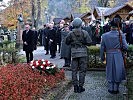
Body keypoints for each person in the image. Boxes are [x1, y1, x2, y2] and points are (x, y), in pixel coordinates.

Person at [100, 18, 128, 94]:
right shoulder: (121, 34)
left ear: (110, 26)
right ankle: (116, 89)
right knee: (118, 71)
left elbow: (102, 48)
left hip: (109, 55)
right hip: (118, 55)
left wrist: (102, 58)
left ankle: (111, 88)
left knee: (110, 71)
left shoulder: (104, 35)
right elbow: (126, 47)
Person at [66, 18, 92, 93]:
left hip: (74, 53)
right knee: (82, 70)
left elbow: (67, 42)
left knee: (74, 71)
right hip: (83, 53)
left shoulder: (70, 33)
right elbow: (89, 42)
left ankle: (75, 87)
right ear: (80, 24)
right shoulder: (84, 32)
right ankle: (81, 87)